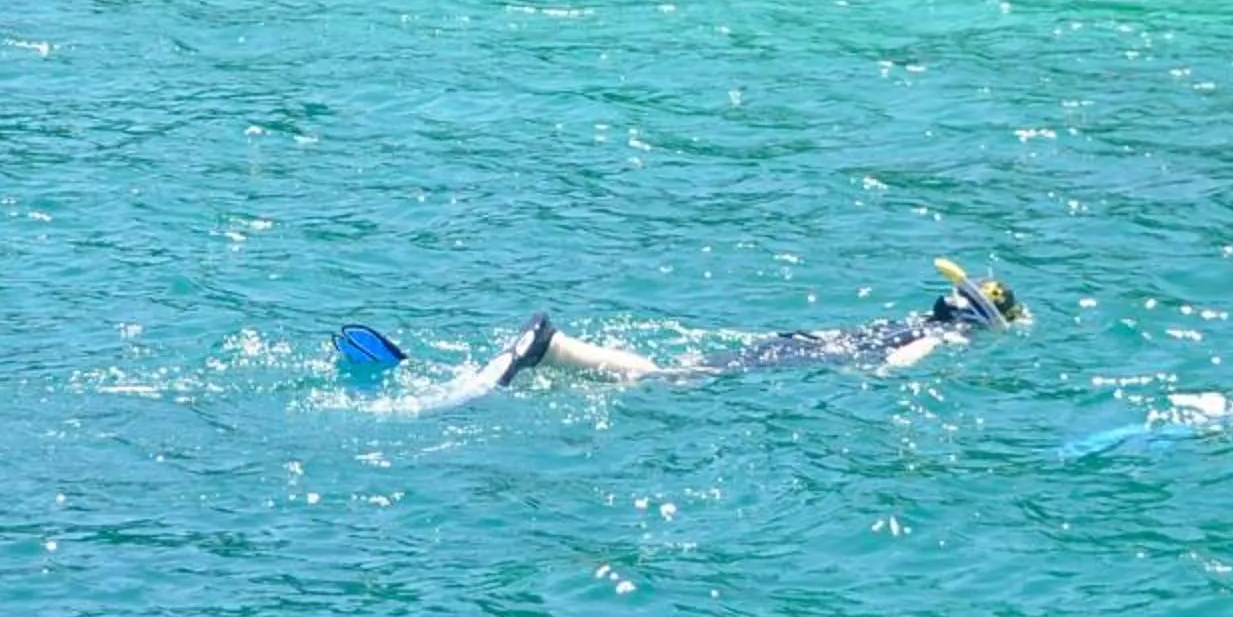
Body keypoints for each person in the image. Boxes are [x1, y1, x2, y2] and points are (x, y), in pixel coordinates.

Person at [342, 259, 1026, 398]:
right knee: (665, 380)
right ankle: (552, 348)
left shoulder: (912, 318)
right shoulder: (937, 338)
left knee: (663, 372)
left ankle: (532, 362)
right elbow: (891, 368)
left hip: (792, 345)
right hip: (792, 363)